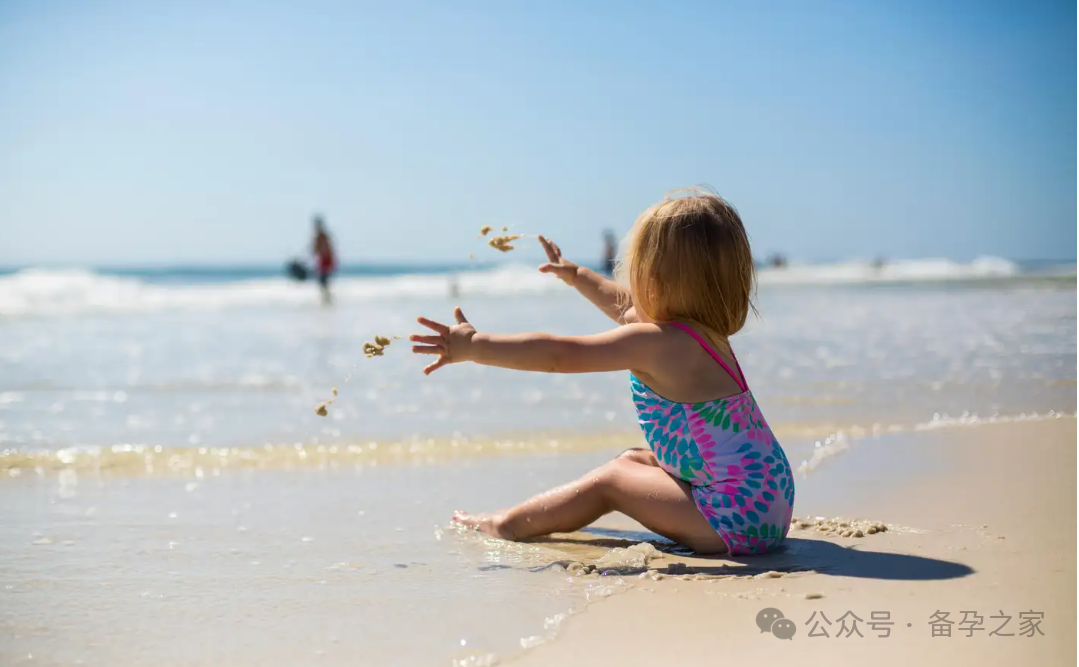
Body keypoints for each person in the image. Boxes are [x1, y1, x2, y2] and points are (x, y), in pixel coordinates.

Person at [409, 189, 795, 555]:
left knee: (611, 481)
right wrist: (575, 275)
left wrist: (475, 346)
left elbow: (560, 355)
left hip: (734, 519)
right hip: (766, 499)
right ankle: (530, 518)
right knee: (633, 460)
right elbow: (624, 306)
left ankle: (506, 524)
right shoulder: (702, 335)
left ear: (655, 281)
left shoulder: (659, 343)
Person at [311, 215, 337, 305]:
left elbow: (323, 250)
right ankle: (326, 299)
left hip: (326, 261)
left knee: (323, 281)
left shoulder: (322, 236)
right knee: (323, 282)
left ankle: (327, 300)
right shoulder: (320, 236)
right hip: (323, 261)